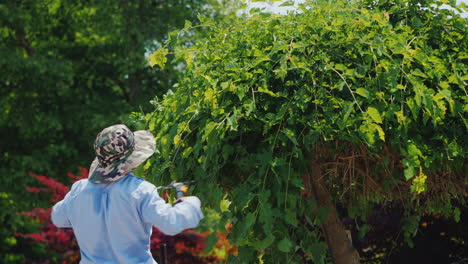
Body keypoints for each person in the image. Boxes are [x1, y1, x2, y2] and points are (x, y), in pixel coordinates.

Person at [51, 124, 203, 264]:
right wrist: (187, 201)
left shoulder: (79, 190)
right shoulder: (141, 190)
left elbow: (58, 217)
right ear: (132, 157)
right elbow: (172, 223)